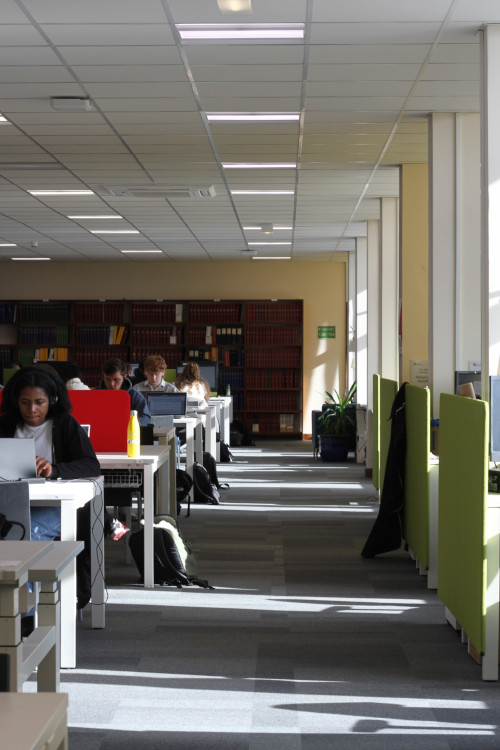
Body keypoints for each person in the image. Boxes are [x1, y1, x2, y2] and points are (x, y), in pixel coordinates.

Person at [0, 366, 102, 614]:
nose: (32, 409)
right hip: (10, 502)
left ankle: (24, 613)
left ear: (52, 400)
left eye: (39, 402)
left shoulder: (64, 424)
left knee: (26, 532)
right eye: (25, 402)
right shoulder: (6, 425)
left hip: (55, 506)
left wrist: (54, 469)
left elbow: (90, 464)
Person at [97, 358, 151, 426]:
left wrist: (125, 423)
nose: (111, 384)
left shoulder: (134, 396)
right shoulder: (94, 394)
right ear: (103, 375)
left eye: (116, 380)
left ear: (124, 377)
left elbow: (145, 418)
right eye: (107, 379)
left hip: (127, 432)